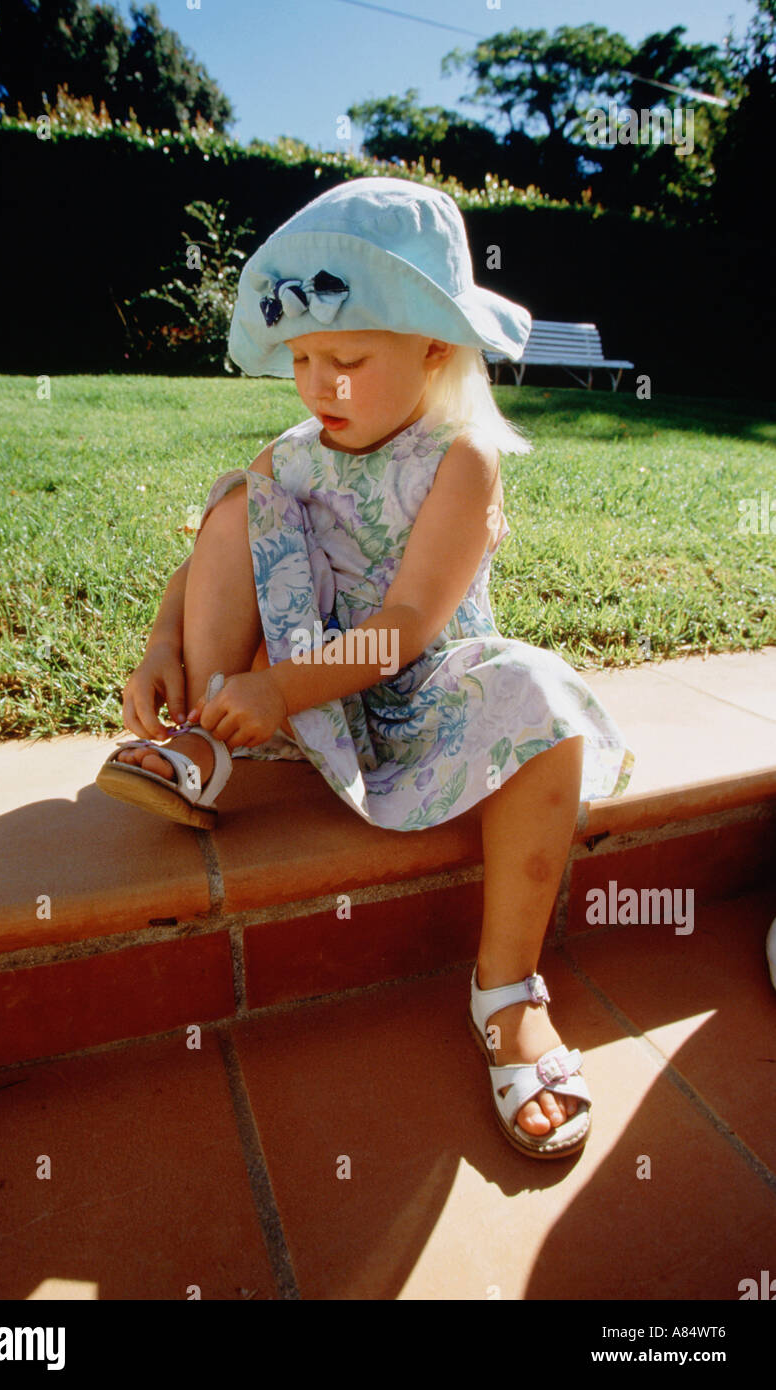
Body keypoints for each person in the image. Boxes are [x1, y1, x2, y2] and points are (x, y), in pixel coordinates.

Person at [96, 177, 634, 1160]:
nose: (317, 384)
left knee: (540, 697)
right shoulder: (299, 450)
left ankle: (507, 987)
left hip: (417, 697)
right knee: (237, 498)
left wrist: (276, 689)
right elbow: (213, 556)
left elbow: (402, 626)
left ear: (434, 347)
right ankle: (200, 747)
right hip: (290, 700)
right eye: (300, 357)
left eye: (346, 358)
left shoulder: (459, 458)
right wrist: (165, 646)